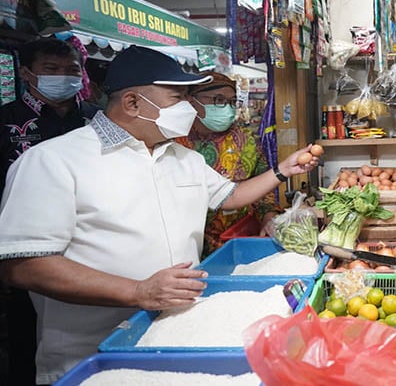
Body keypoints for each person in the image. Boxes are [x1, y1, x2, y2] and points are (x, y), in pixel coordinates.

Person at [0, 45, 318, 384]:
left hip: (179, 339)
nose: (188, 107)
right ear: (133, 103)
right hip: (92, 360)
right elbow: (24, 266)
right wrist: (137, 291)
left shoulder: (184, 158)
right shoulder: (54, 161)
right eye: (177, 98)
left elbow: (231, 196)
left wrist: (283, 170)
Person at [0, 37, 99, 386]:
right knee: (27, 334)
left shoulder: (93, 118)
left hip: (87, 241)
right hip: (24, 243)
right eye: (51, 70)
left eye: (72, 70)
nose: (64, 77)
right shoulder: (7, 121)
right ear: (27, 73)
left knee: (80, 332)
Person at [176, 72, 279, 257]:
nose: (227, 108)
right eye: (218, 100)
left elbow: (264, 187)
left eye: (232, 102)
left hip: (240, 239)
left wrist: (268, 217)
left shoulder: (246, 139)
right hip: (189, 246)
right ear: (192, 102)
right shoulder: (176, 143)